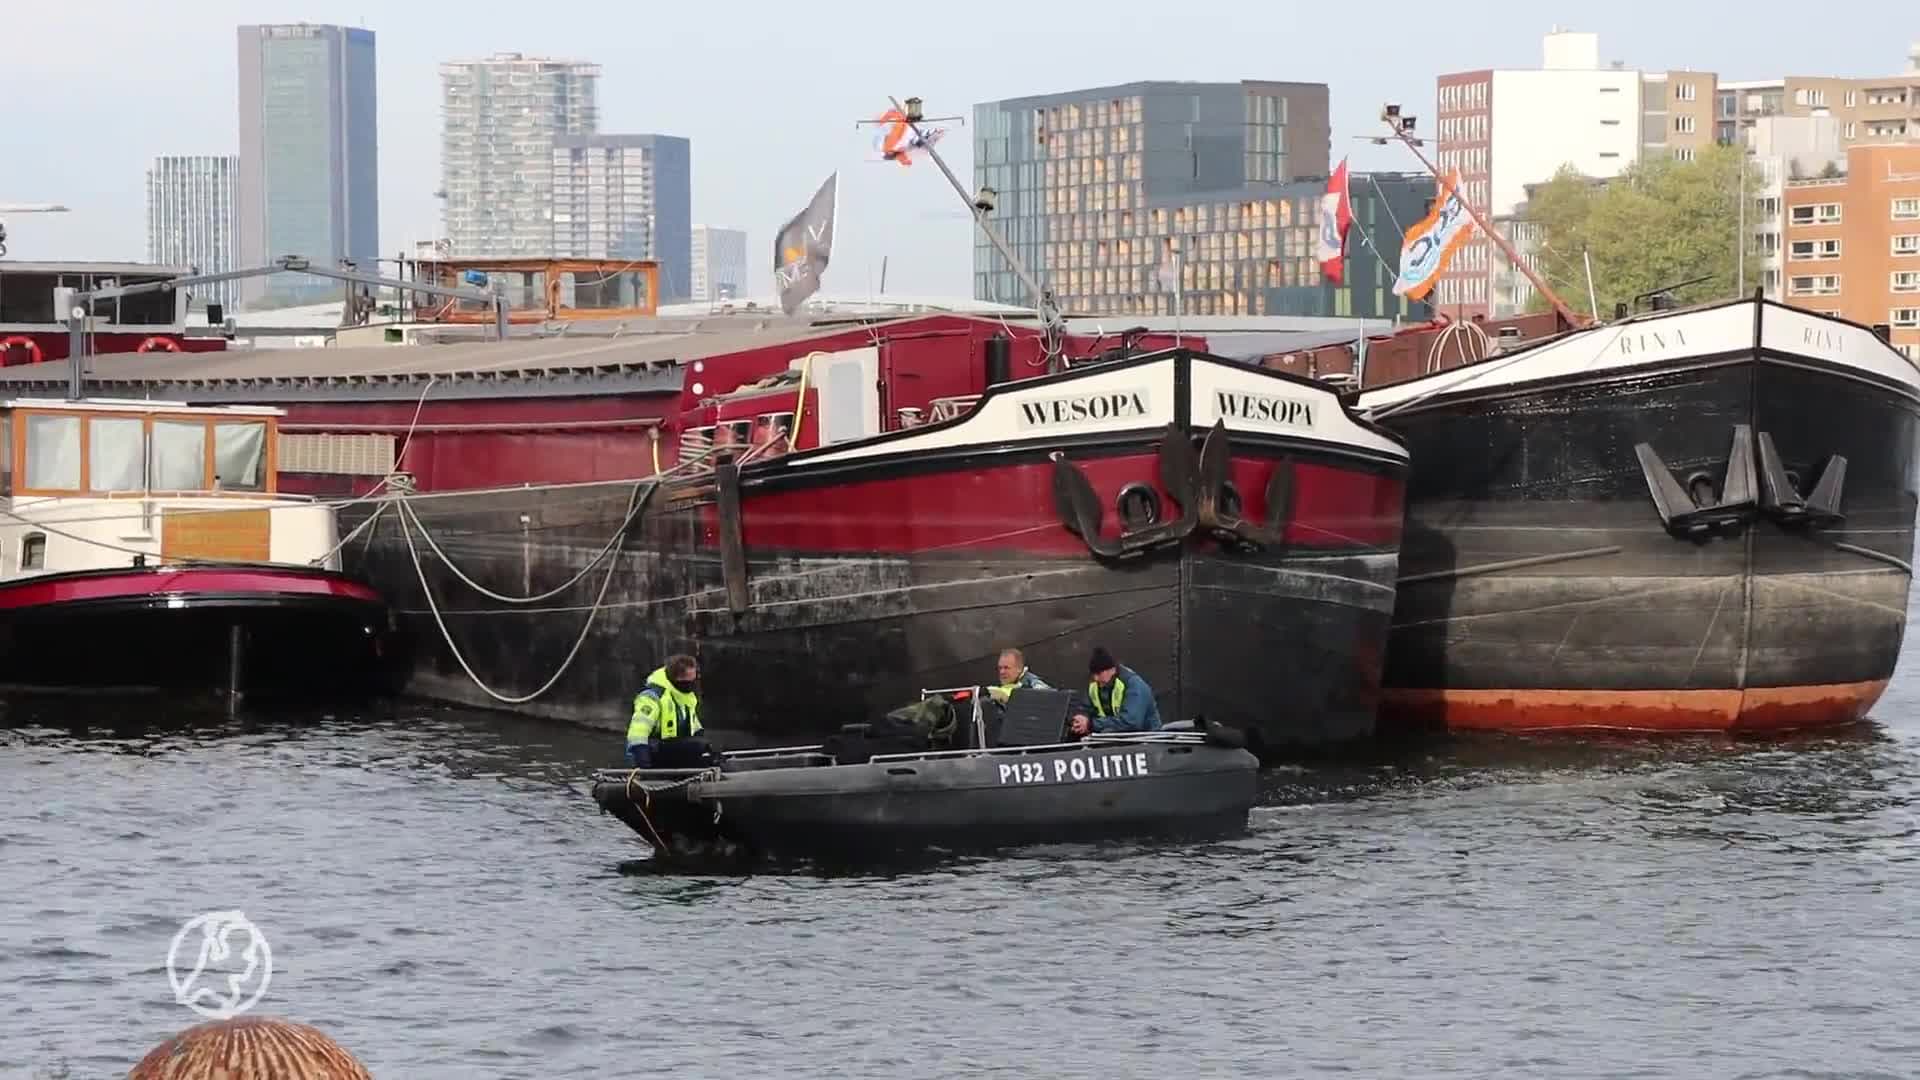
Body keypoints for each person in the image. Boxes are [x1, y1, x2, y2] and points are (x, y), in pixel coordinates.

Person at [626, 654, 714, 769]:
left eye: (694, 679)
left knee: (702, 747)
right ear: (675, 678)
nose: (692, 684)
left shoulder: (686, 697)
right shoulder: (653, 697)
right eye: (688, 681)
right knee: (698, 746)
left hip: (676, 751)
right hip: (653, 753)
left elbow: (695, 726)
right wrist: (643, 764)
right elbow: (637, 732)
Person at [1070, 646, 1161, 737]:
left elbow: (1131, 722)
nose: (1095, 678)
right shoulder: (1095, 685)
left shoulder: (1134, 685)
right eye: (1093, 674)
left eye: (1099, 674)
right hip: (1114, 738)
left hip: (1145, 739)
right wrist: (1082, 718)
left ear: (1112, 670)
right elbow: (1085, 707)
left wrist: (1091, 724)